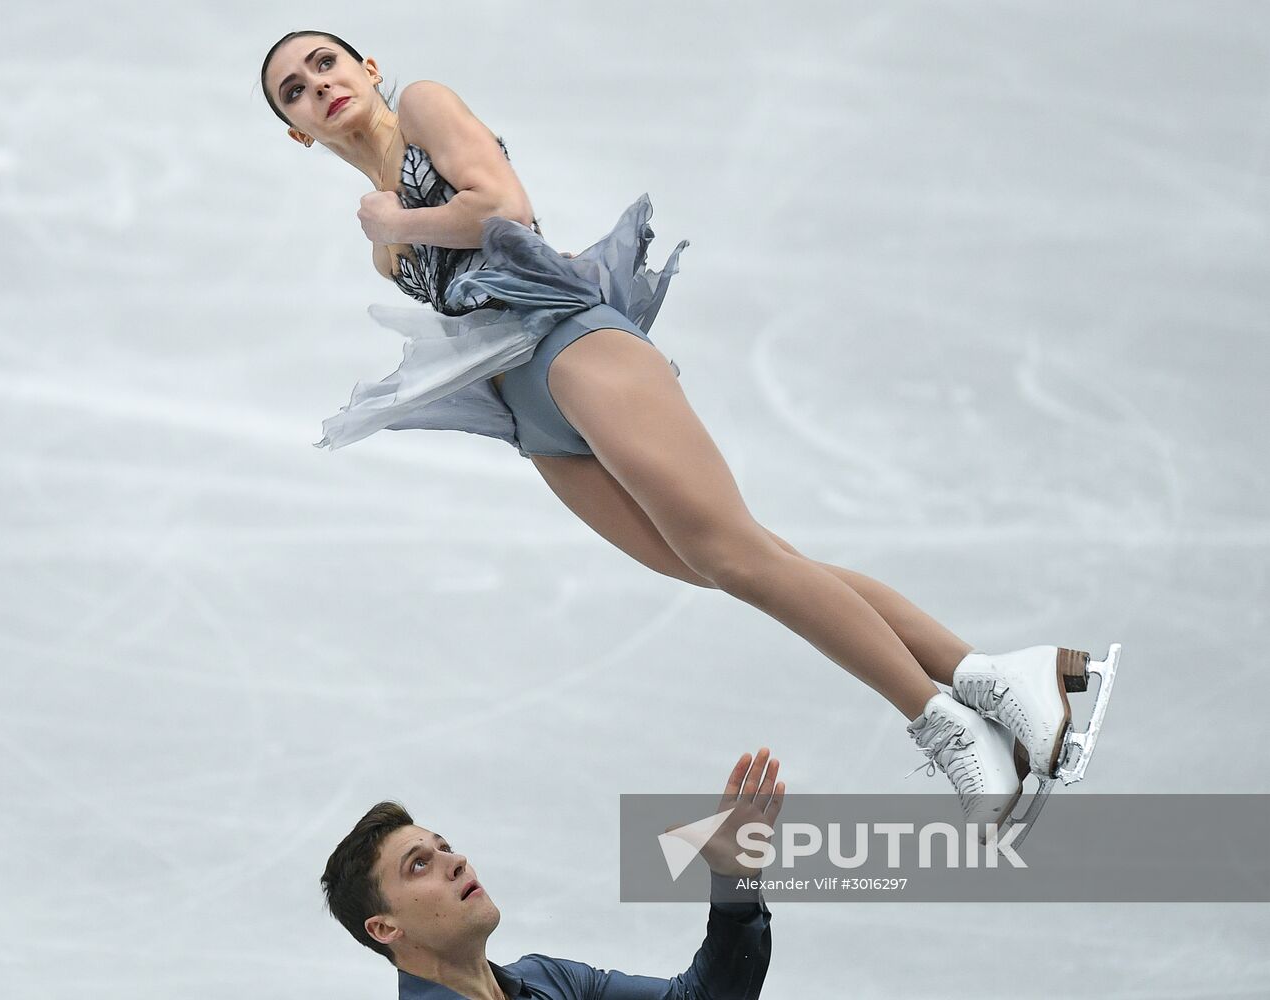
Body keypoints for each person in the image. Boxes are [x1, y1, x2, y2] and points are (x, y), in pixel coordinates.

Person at [257, 31, 1120, 837]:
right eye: (293, 91)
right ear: (295, 133)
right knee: (734, 565)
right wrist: (399, 248)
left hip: (574, 350)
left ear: (368, 67)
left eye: (326, 63)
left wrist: (400, 222)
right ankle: (997, 679)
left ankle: (944, 722)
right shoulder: (378, 241)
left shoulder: (427, 113)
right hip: (535, 421)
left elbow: (504, 210)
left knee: (738, 555)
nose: (318, 86)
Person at [320, 749, 782, 999]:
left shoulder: (549, 981)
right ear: (385, 928)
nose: (455, 861)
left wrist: (734, 882)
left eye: (446, 847)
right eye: (419, 864)